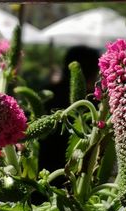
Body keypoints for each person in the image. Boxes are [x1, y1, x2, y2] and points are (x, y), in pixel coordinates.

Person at [39, 45, 100, 175]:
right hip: (75, 176)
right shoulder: (95, 104)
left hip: (43, 171)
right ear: (93, 71)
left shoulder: (47, 93)